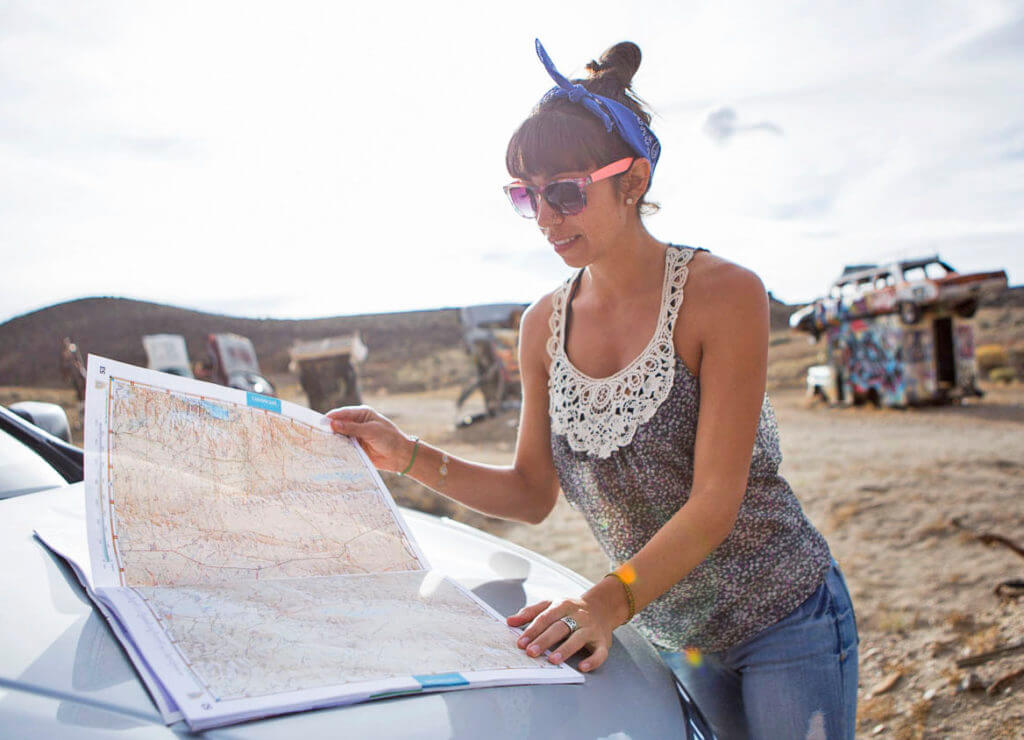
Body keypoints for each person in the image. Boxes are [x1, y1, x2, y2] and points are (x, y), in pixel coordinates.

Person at [328, 39, 858, 739]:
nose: (545, 216)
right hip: (672, 632)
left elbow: (715, 503)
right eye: (527, 194)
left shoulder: (722, 295)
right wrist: (408, 455)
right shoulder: (540, 325)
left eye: (566, 192)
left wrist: (606, 604)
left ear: (632, 181)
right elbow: (529, 492)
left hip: (785, 617)